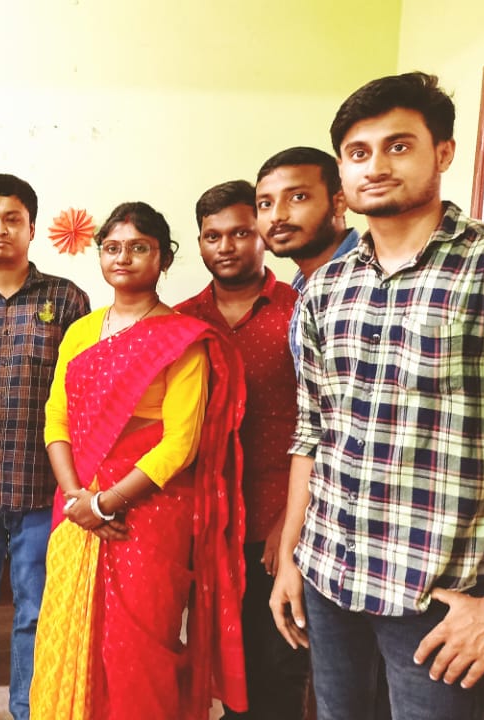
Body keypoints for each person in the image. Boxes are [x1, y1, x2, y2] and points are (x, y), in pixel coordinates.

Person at [269, 71, 484, 720]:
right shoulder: (326, 289)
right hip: (330, 578)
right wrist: (291, 559)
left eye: (399, 146)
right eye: (358, 152)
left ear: (444, 152)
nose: (376, 166)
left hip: (439, 600)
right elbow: (312, 433)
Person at [31, 201, 248, 719]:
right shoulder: (81, 331)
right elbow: (56, 418)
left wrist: (105, 503)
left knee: (139, 649)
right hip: (77, 507)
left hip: (147, 512)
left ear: (163, 258)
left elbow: (181, 443)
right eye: (112, 247)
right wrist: (77, 498)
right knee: (69, 635)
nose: (122, 257)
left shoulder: (182, 338)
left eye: (138, 247)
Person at [0, 174, 89, 720]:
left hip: (41, 485)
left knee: (35, 607)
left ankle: (29, 706)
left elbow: (81, 393)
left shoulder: (67, 299)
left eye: (12, 219)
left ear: (32, 227)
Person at [176, 180, 306, 719]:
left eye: (240, 233)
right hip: (201, 522)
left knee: (276, 663)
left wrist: (288, 527)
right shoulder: (179, 322)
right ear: (200, 243)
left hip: (275, 521)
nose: (226, 246)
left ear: (261, 235)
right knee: (212, 663)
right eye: (213, 236)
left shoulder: (300, 311)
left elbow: (323, 424)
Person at [253, 147, 360, 360]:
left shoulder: (367, 281)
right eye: (265, 204)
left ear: (339, 203)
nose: (277, 216)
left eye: (298, 197)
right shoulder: (302, 284)